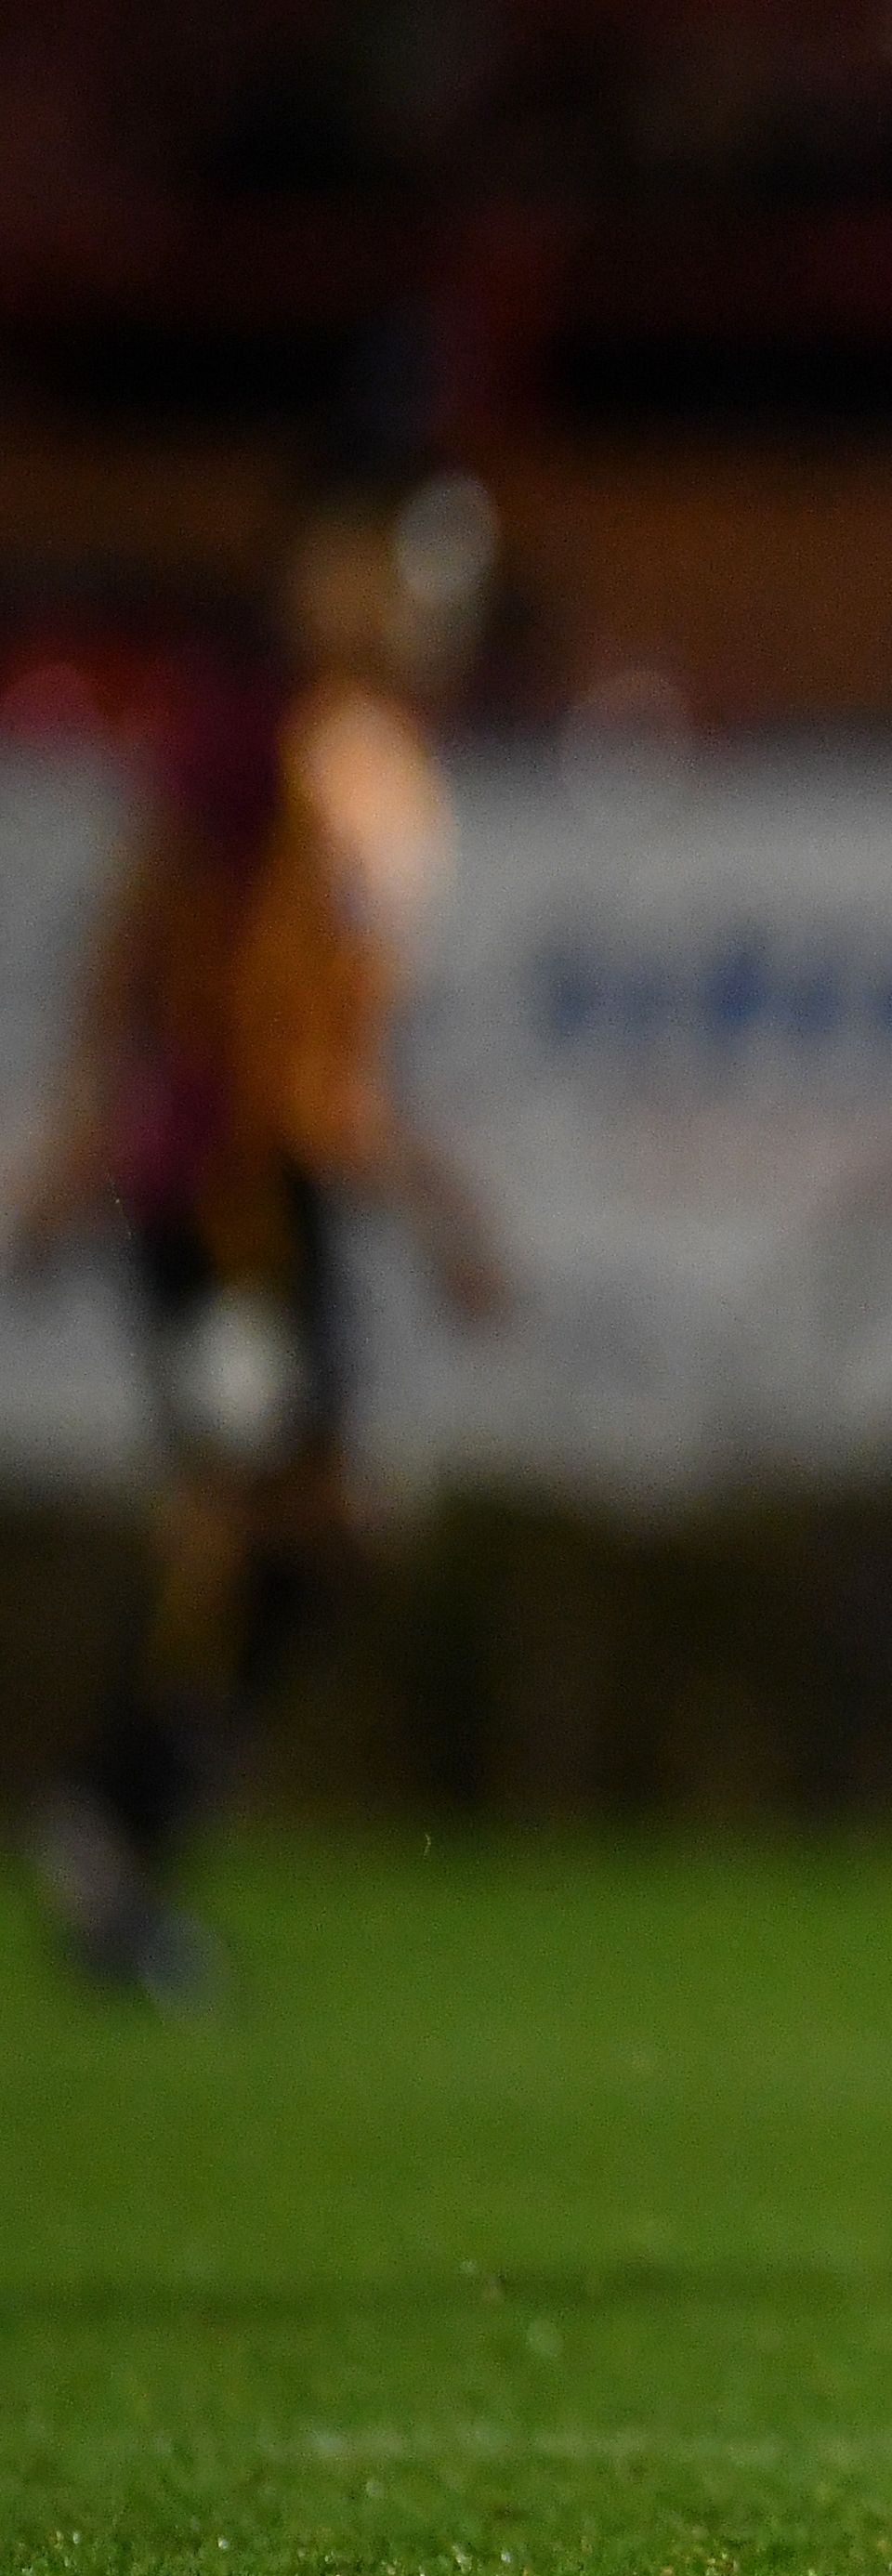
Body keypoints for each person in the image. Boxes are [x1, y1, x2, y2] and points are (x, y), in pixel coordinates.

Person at [14, 464, 508, 2008]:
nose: (408, 610)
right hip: (213, 1189)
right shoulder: (251, 731)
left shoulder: (374, 758)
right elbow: (144, 931)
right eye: (382, 572)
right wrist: (80, 1132)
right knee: (258, 1501)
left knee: (313, 1516)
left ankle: (123, 1820)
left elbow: (328, 1051)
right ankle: (111, 1828)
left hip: (278, 1194)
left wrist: (432, 1203)